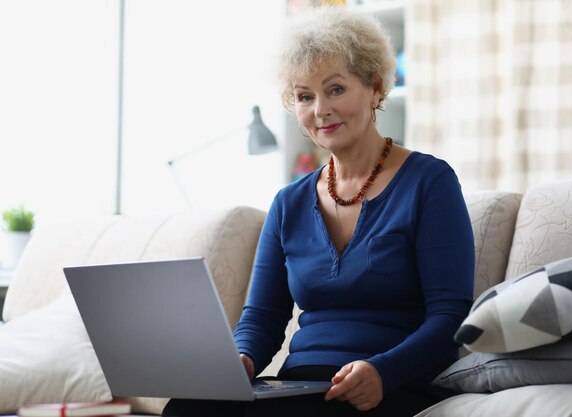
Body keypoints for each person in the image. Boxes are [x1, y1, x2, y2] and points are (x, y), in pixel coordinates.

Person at [162, 5, 474, 417]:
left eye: (336, 89)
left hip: (390, 382)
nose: (320, 109)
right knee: (186, 408)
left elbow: (450, 317)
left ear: (376, 88)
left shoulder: (429, 182)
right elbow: (262, 317)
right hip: (300, 384)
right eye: (304, 96)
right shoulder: (288, 202)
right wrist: (241, 360)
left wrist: (382, 370)